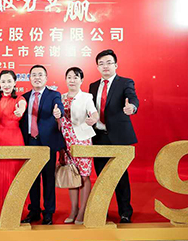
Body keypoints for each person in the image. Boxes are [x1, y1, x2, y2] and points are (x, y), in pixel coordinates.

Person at [89, 49, 139, 223]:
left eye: (109, 63)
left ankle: (125, 212)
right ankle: (102, 211)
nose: (105, 66)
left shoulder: (125, 82)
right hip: (98, 136)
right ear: (97, 67)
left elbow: (132, 98)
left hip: (118, 137)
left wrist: (132, 107)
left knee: (120, 176)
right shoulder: (93, 86)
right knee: (101, 176)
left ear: (116, 65)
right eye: (101, 63)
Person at [19, 65, 65, 225]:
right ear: (29, 78)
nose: (37, 78)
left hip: (47, 143)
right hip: (30, 141)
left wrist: (59, 113)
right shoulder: (24, 97)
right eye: (34, 75)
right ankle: (34, 211)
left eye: (40, 75)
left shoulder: (54, 95)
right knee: (32, 178)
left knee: (48, 178)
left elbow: (59, 107)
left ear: (46, 78)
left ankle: (49, 212)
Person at [59, 67, 99, 225]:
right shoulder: (60, 97)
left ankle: (83, 210)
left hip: (82, 139)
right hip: (66, 141)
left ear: (81, 80)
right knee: (72, 175)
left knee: (84, 175)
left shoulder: (86, 97)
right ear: (65, 80)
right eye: (69, 77)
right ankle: (74, 209)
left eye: (76, 77)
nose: (72, 80)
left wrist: (93, 119)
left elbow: (94, 113)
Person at [0, 70, 26, 206]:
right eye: (3, 81)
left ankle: (14, 205)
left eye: (9, 81)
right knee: (0, 172)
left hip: (14, 138)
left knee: (14, 171)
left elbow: (22, 107)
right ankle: (2, 205)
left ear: (15, 83)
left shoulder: (20, 99)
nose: (6, 84)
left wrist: (20, 111)